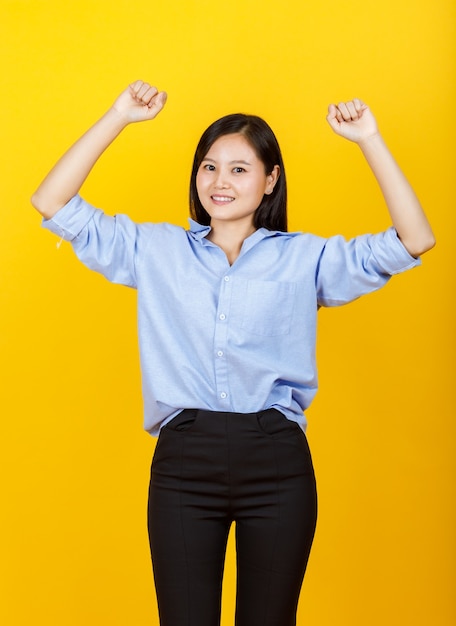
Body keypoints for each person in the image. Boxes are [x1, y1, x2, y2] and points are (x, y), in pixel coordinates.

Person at [31, 80, 435, 626]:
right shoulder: (155, 250)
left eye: (240, 169)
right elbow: (52, 202)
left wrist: (369, 139)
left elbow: (413, 239)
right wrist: (118, 115)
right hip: (183, 462)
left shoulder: (304, 258)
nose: (220, 182)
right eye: (209, 167)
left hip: (276, 462)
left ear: (271, 180)